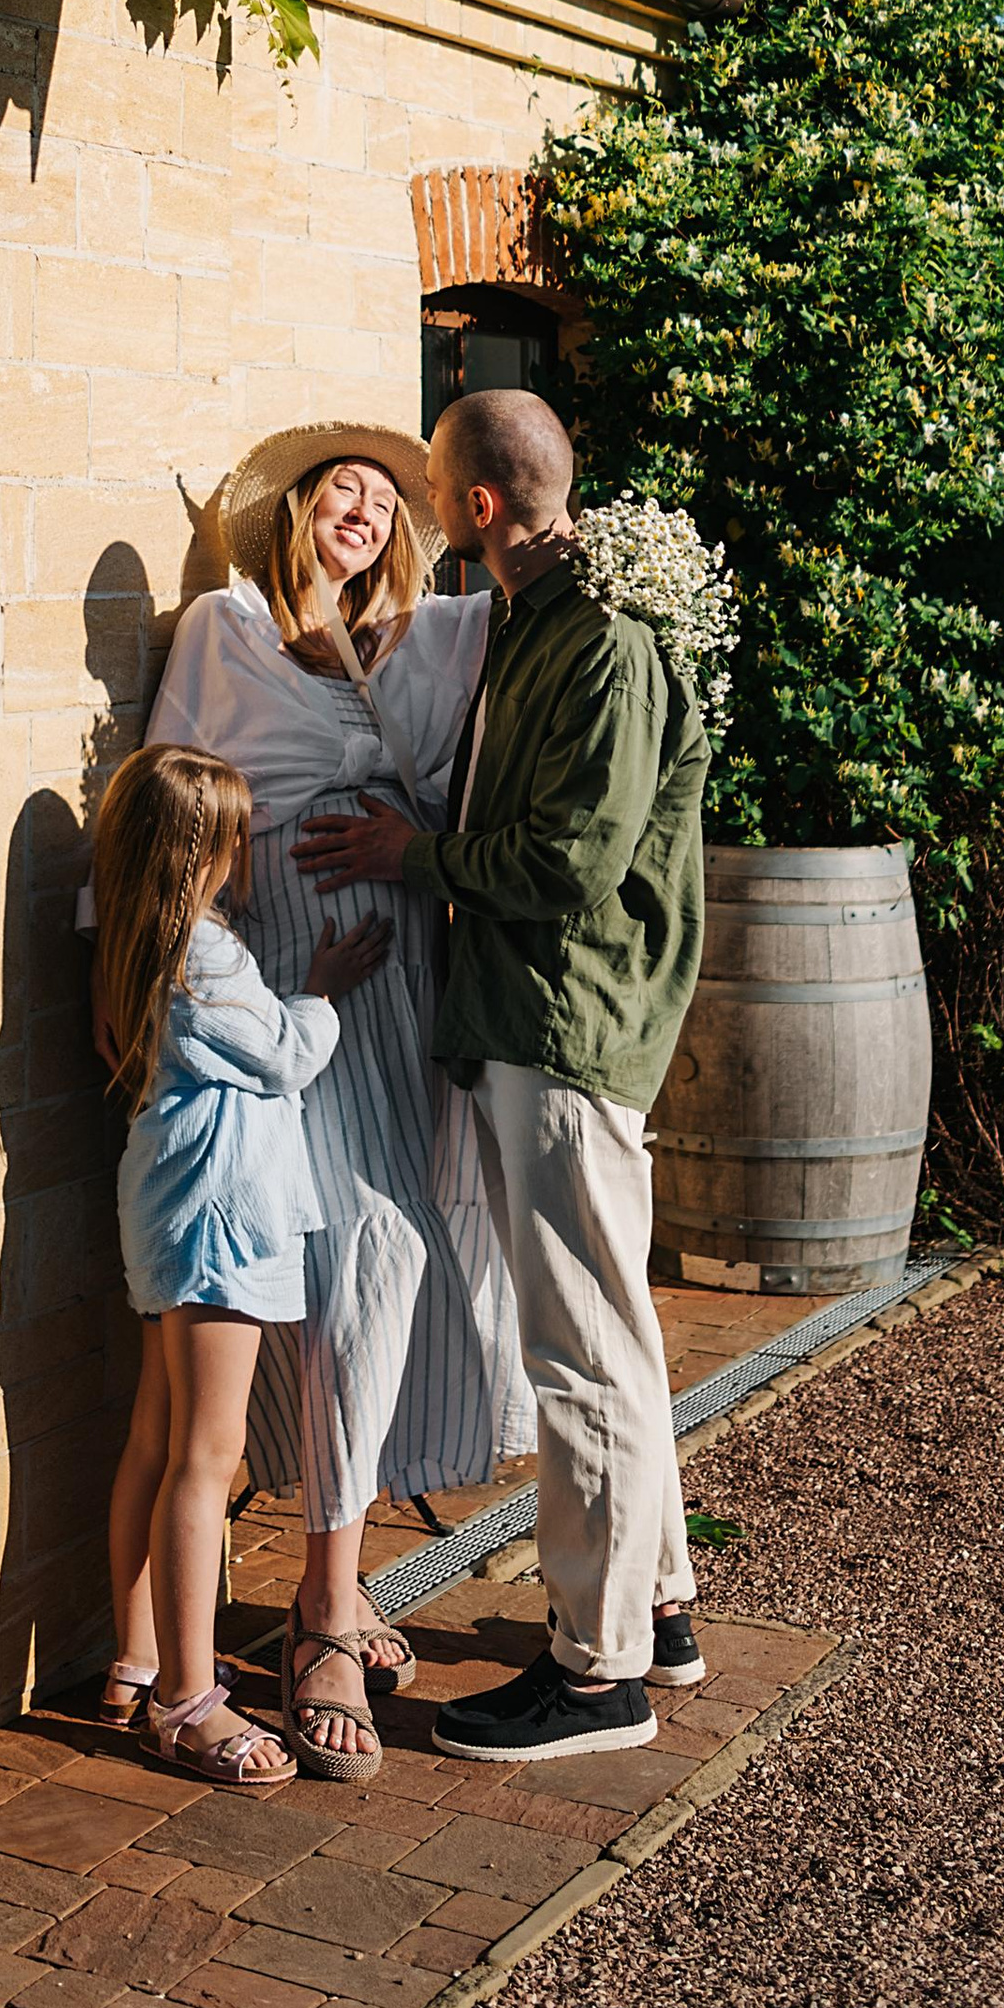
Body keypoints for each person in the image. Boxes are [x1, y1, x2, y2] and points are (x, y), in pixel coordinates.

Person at [296, 386, 711, 1763]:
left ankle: (596, 1679)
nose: (411, 506)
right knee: (618, 1334)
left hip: (566, 1024)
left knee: (579, 1354)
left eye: (426, 487)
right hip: (544, 1021)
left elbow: (569, 865)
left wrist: (406, 859)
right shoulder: (540, 617)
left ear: (476, 506)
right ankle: (655, 1605)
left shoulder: (602, 642)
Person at [127, 424, 533, 1779]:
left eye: (384, 493)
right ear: (296, 512)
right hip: (300, 960)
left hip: (399, 960)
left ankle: (338, 1572)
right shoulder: (226, 627)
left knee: (404, 1248)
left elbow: (530, 620)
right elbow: (166, 805)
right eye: (339, 484)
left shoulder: (417, 642)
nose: (364, 503)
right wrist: (190, 972)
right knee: (364, 1249)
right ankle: (315, 1617)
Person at [90, 738, 387, 1788]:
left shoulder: (132, 935)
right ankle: (186, 1698)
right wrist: (320, 988)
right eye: (233, 838)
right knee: (206, 1459)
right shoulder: (204, 953)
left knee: (155, 1436)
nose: (244, 852)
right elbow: (290, 1053)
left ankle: (135, 1659)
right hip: (220, 1215)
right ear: (198, 854)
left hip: (169, 1205)